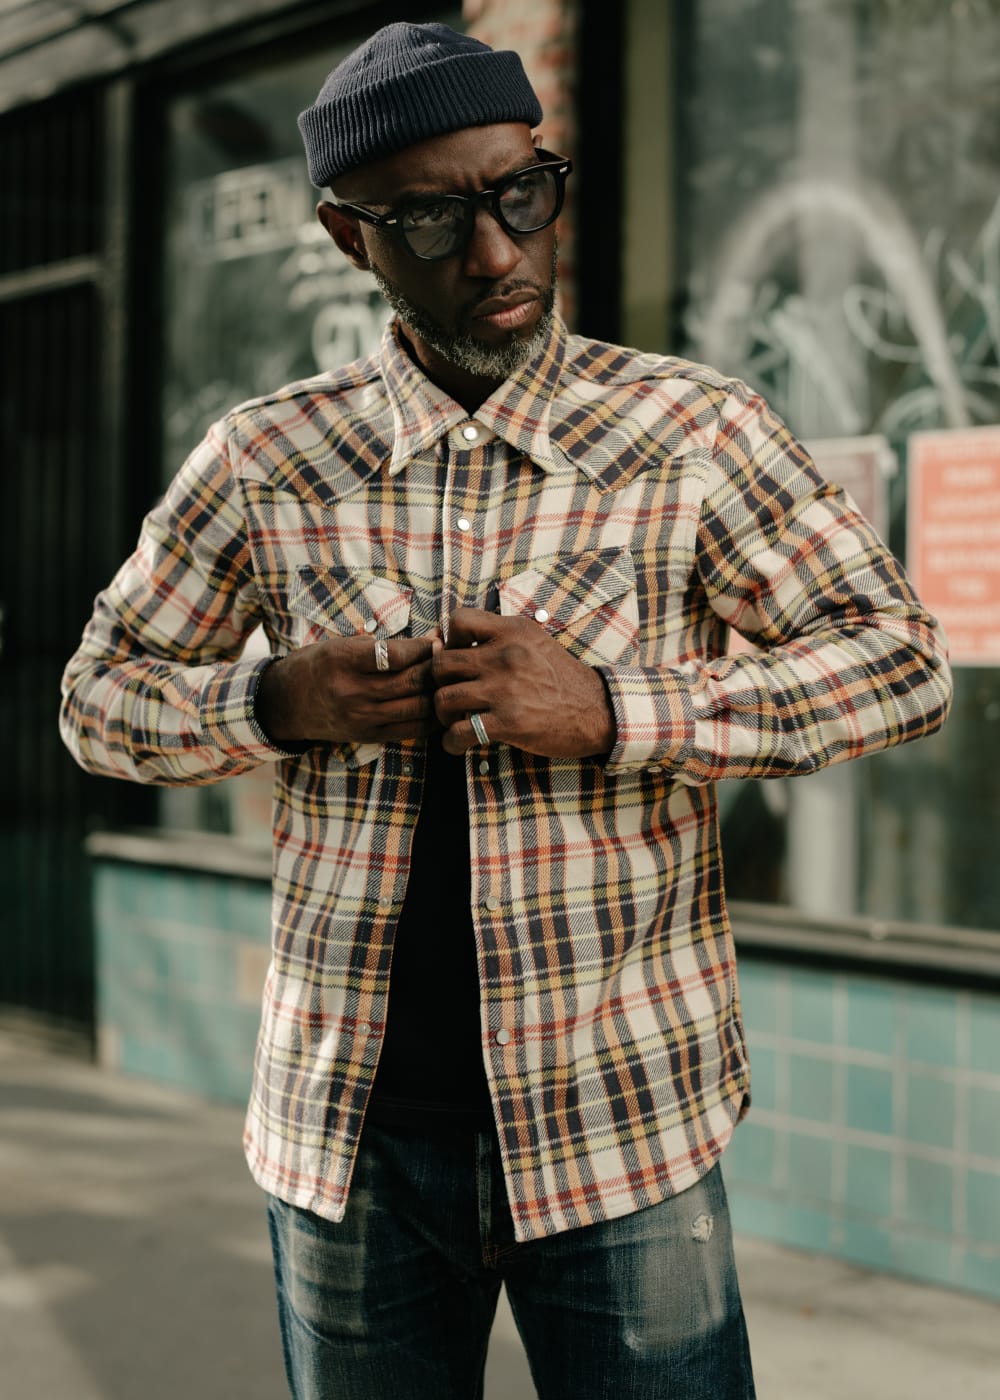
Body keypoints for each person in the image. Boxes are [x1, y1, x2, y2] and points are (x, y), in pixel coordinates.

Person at [60, 21, 952, 1400]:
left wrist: (615, 709)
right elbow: (99, 704)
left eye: (519, 193)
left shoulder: (692, 432)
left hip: (621, 1120)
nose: (494, 253)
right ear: (351, 240)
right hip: (345, 1137)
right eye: (429, 217)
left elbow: (900, 664)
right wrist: (277, 698)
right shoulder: (269, 457)